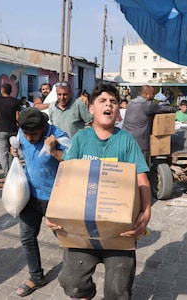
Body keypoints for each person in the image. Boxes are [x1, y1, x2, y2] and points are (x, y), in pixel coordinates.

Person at [49, 84, 151, 300]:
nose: (109, 105)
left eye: (113, 102)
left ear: (118, 111)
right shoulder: (80, 140)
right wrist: (55, 214)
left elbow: (142, 179)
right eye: (102, 101)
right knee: (73, 284)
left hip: (119, 231)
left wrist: (147, 211)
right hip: (82, 230)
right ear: (92, 109)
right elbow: (65, 178)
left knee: (117, 292)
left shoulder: (126, 140)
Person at [10, 107, 69, 297]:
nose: (28, 138)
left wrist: (54, 151)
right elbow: (19, 143)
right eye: (25, 134)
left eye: (33, 134)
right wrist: (15, 148)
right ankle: (36, 277)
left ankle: (74, 274)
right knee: (27, 237)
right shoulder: (23, 131)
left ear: (44, 128)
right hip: (30, 195)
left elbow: (73, 161)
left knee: (66, 239)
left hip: (54, 198)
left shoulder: (59, 136)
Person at [122, 85, 175, 164]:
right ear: (146, 94)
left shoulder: (131, 102)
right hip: (141, 141)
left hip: (126, 138)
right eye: (152, 94)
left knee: (128, 163)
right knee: (142, 166)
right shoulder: (148, 105)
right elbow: (163, 109)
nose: (154, 96)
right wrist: (174, 109)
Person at [0, 83, 21, 174]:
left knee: (3, 153)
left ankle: (7, 174)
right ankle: (13, 172)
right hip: (12, 130)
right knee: (12, 152)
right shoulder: (15, 101)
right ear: (10, 91)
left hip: (0, 130)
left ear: (2, 90)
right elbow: (17, 118)